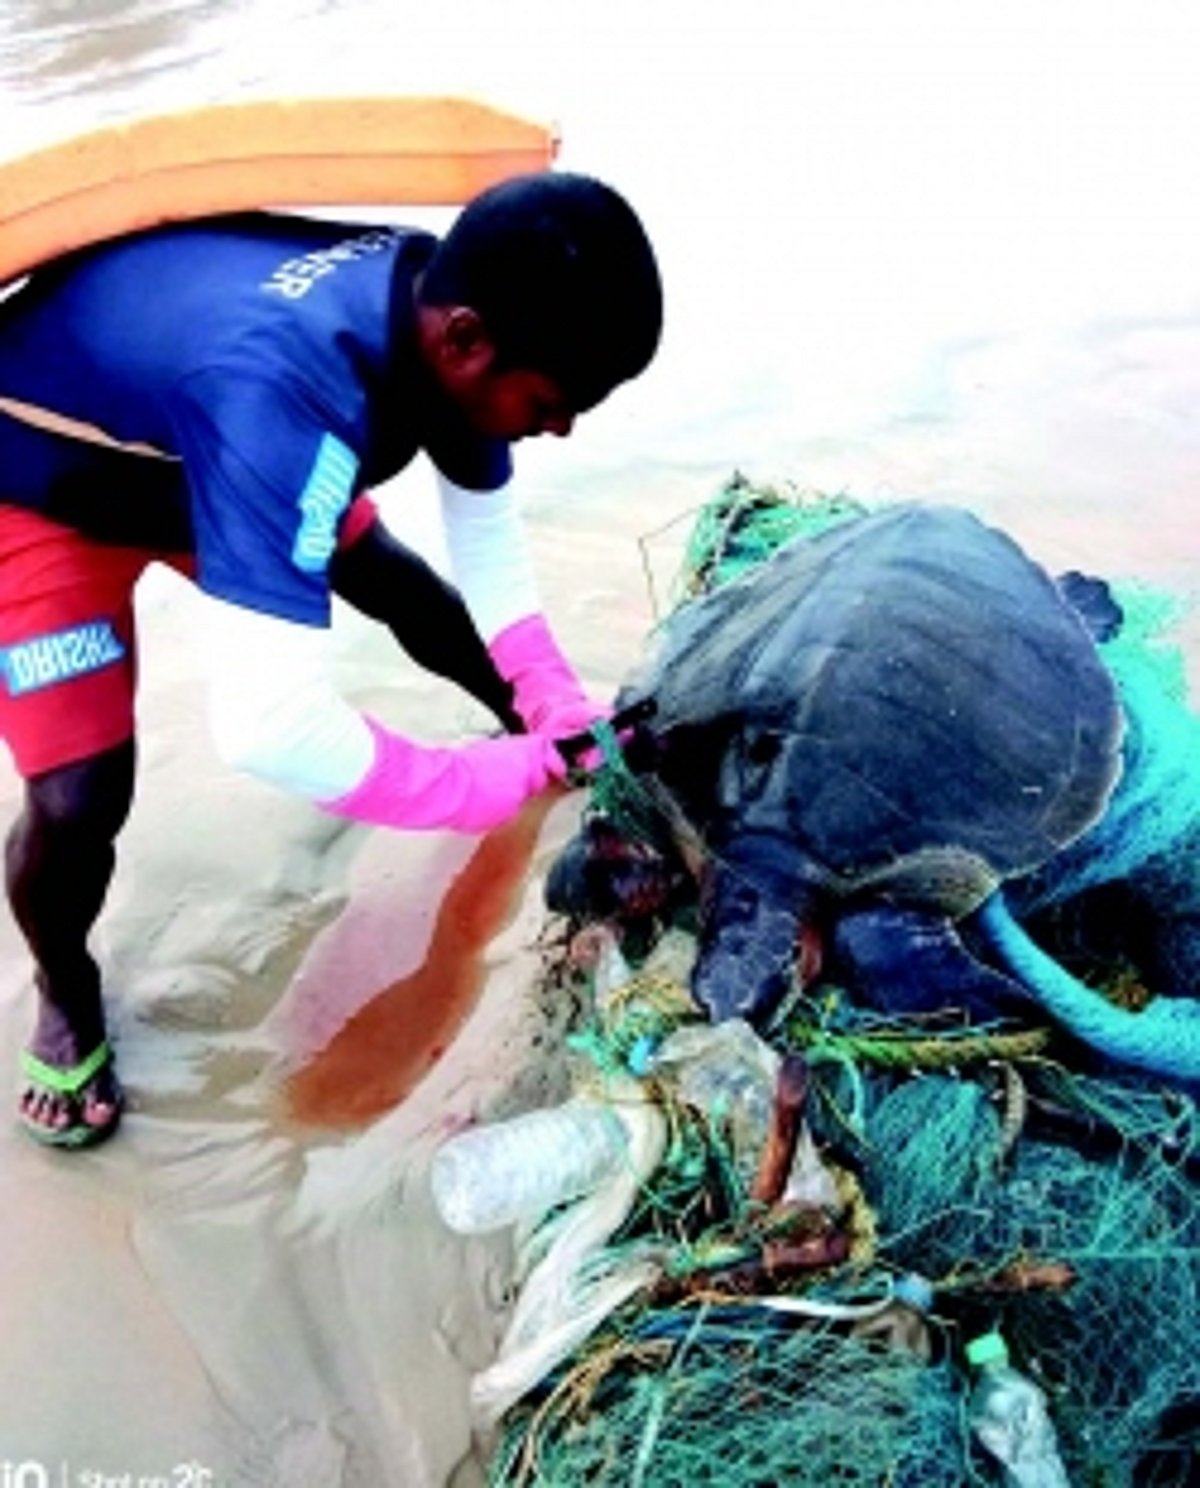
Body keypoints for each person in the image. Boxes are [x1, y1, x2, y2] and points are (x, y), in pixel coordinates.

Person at [0, 170, 663, 1149]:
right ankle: (66, 987)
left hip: (196, 444)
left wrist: (550, 702)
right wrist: (494, 781)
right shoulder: (292, 393)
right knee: (79, 798)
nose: (559, 428)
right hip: (41, 480)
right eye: (555, 402)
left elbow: (483, 536)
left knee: (397, 584)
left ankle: (535, 732)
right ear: (468, 342)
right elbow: (274, 734)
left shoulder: (433, 301)